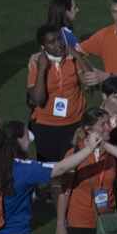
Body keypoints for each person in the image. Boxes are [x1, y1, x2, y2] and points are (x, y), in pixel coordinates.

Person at [28, 23, 90, 165]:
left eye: (59, 39)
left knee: (73, 170)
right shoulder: (35, 65)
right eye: (51, 42)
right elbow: (39, 100)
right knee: (50, 172)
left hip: (75, 124)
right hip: (47, 127)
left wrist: (78, 56)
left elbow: (90, 82)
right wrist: (42, 68)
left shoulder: (72, 60)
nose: (57, 45)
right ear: (42, 48)